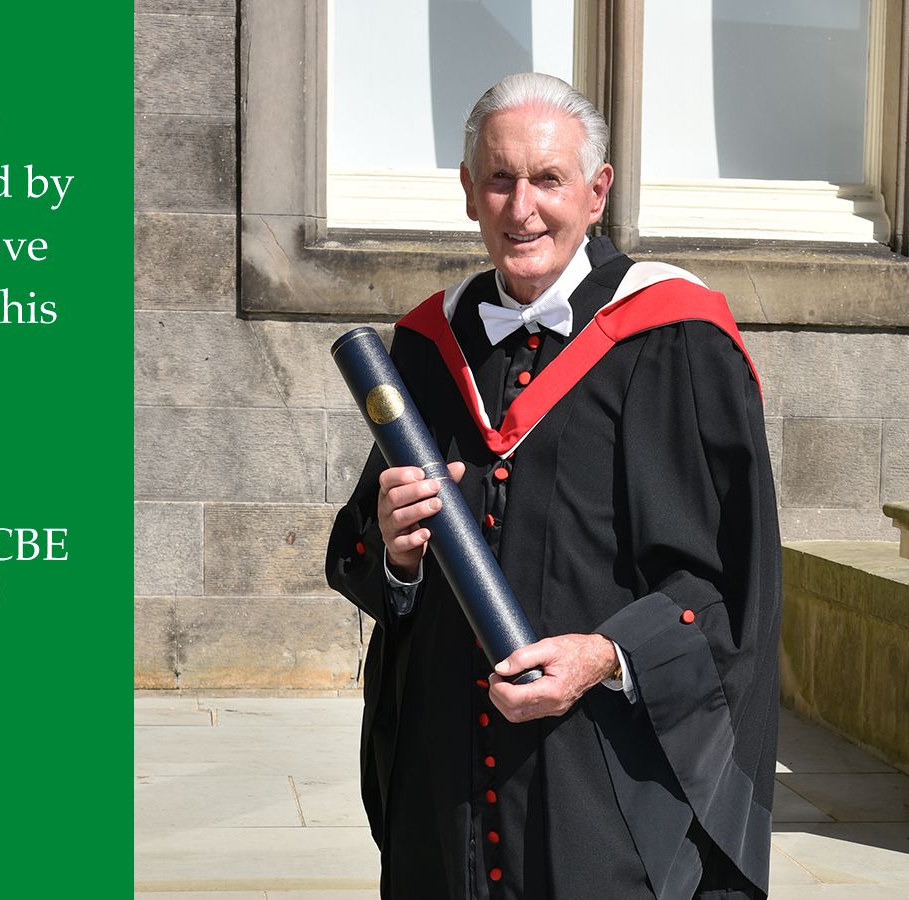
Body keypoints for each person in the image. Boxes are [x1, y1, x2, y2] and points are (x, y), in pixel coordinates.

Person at [325, 73, 780, 900]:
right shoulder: (429, 346)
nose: (522, 207)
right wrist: (392, 551)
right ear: (468, 193)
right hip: (445, 789)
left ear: (597, 191)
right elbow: (363, 555)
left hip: (599, 784)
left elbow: (729, 588)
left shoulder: (675, 338)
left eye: (548, 180)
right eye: (499, 179)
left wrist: (605, 655)